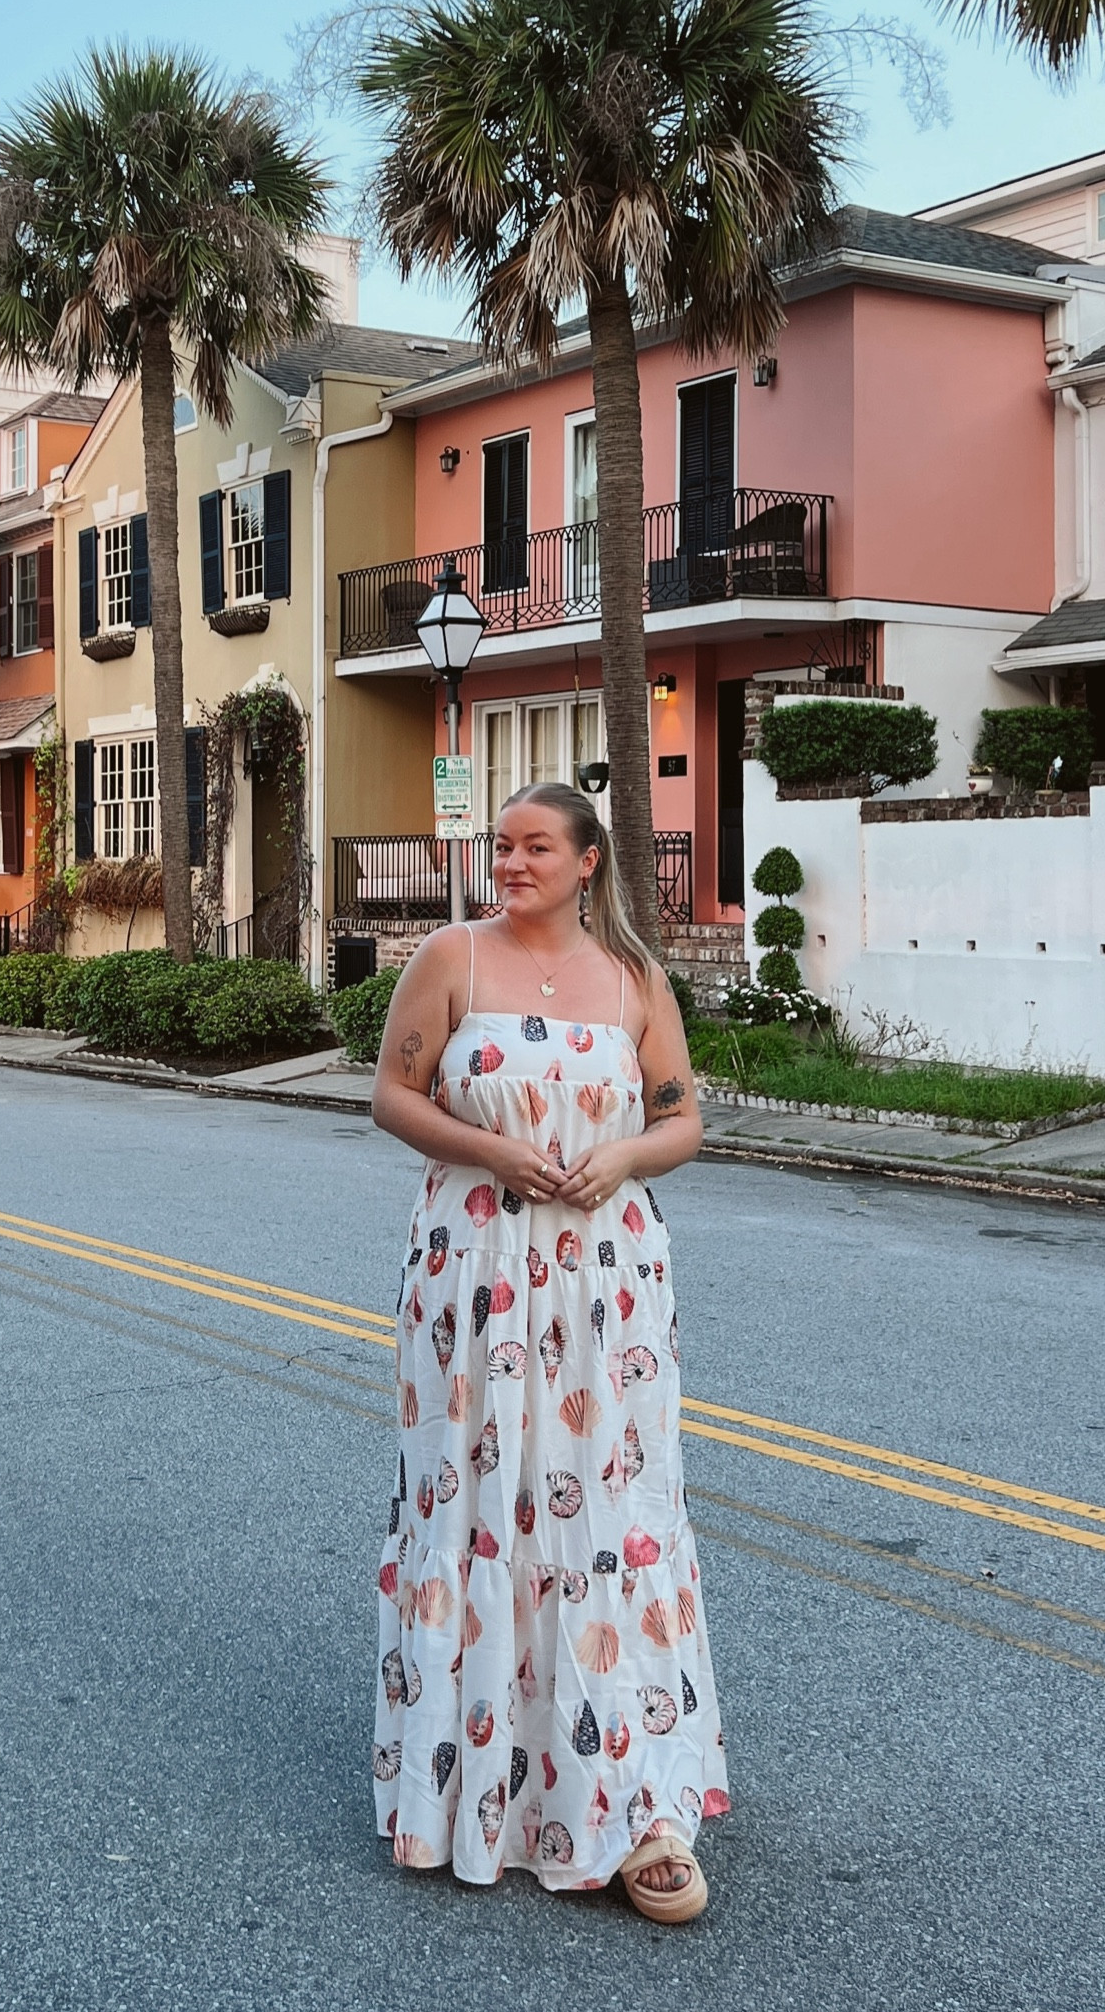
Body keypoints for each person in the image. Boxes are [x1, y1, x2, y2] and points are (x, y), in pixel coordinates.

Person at [369, 781, 729, 1921]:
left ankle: (634, 1800)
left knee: (606, 1515)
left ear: (587, 862)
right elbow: (390, 1091)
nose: (510, 861)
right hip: (474, 1275)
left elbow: (682, 1116)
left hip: (607, 1282)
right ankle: (469, 1781)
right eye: (501, 844)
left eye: (535, 846)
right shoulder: (450, 956)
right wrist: (490, 1150)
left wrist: (623, 1158)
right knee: (486, 1501)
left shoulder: (633, 979)